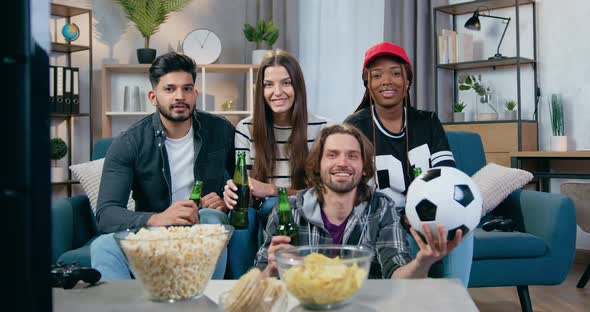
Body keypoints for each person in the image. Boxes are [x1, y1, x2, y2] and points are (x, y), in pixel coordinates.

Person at [91, 52, 235, 279]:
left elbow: (245, 184)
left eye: (187, 88)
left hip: (200, 227)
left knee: (212, 220)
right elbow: (107, 214)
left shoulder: (220, 130)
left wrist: (227, 202)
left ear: (195, 94)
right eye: (169, 89)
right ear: (153, 96)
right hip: (153, 233)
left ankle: (200, 304)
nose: (180, 96)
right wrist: (157, 218)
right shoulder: (129, 142)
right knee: (102, 246)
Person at [255, 124, 463, 279]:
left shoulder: (382, 208)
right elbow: (258, 280)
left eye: (352, 156)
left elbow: (397, 274)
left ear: (364, 167)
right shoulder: (289, 210)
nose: (342, 163)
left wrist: (422, 262)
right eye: (332, 155)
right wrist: (272, 268)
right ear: (318, 165)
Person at [343, 41, 474, 285]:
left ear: (407, 82)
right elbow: (349, 189)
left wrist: (419, 215)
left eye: (395, 73)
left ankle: (456, 301)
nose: (387, 81)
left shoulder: (427, 122)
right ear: (368, 85)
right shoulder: (354, 126)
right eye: (377, 75)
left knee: (460, 234)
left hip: (429, 214)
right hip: (379, 217)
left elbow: (447, 176)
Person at [222, 50, 331, 277]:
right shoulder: (246, 128)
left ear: (298, 87)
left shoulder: (322, 128)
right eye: (269, 85)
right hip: (257, 210)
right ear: (260, 91)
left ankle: (282, 279)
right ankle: (245, 287)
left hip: (300, 210)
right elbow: (248, 188)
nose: (277, 92)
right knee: (242, 215)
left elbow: (326, 193)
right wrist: (235, 193)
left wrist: (273, 191)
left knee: (277, 206)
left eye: (286, 83)